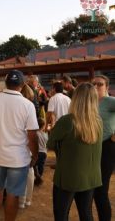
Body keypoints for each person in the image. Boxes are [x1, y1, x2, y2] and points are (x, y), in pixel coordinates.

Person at [0, 70, 39, 221]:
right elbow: (32, 135)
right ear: (22, 85)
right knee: (13, 194)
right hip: (18, 159)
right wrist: (36, 154)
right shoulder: (28, 105)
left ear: (5, 83)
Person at [48, 83, 102, 221]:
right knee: (86, 213)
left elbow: (50, 143)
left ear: (76, 98)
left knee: (61, 214)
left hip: (67, 177)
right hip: (90, 176)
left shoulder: (68, 121)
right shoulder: (98, 121)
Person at [92, 75, 115, 221]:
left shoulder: (110, 101)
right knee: (91, 190)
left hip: (107, 147)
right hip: (91, 148)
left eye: (99, 84)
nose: (95, 86)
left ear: (107, 87)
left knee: (100, 191)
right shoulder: (91, 102)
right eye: (93, 84)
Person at [35, 117, 48, 186]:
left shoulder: (36, 133)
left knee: (34, 165)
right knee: (41, 166)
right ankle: (39, 177)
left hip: (37, 152)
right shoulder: (45, 135)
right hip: (44, 152)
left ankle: (38, 177)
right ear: (43, 126)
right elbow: (47, 144)